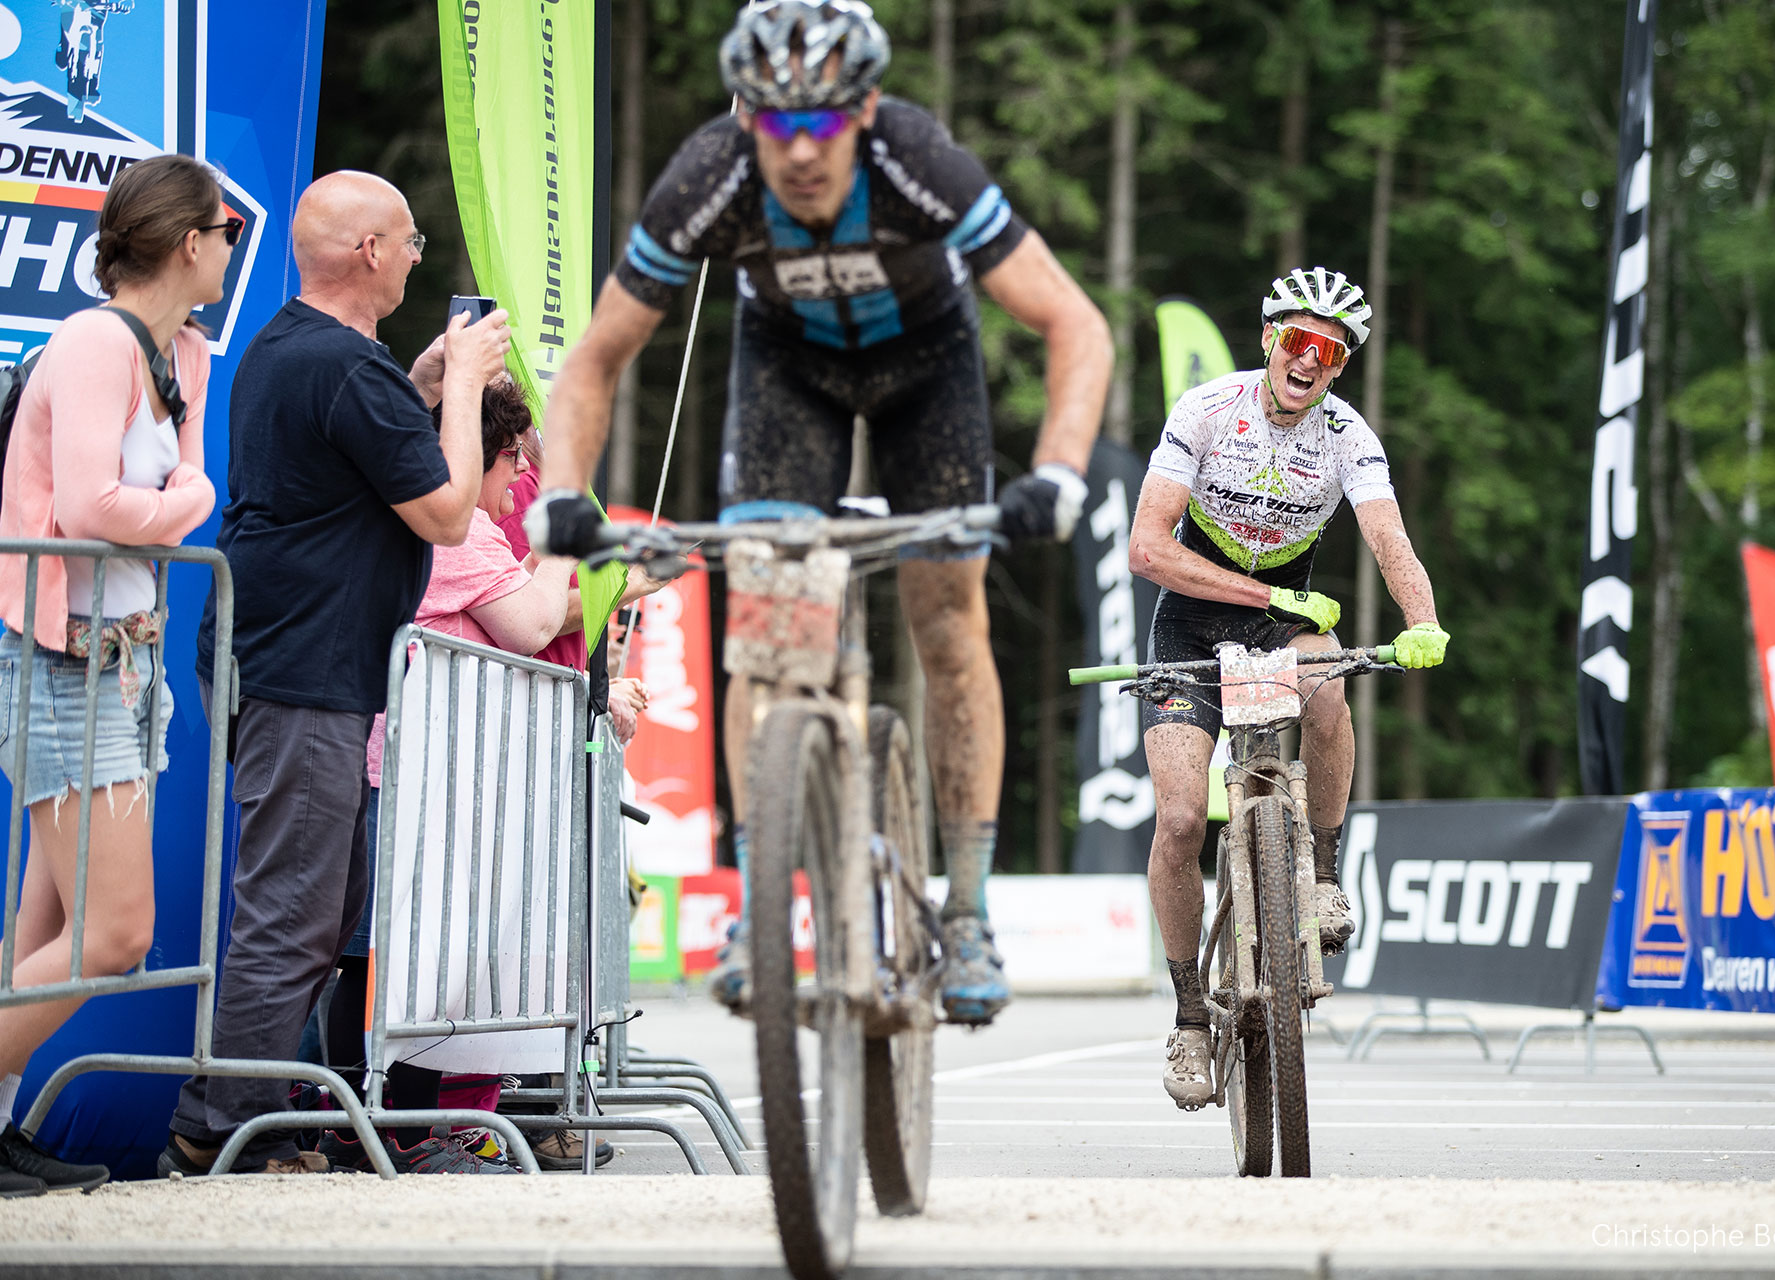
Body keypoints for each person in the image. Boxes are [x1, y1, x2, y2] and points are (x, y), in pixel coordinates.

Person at [522, 0, 1110, 1024]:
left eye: (823, 122)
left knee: (947, 620)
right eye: (774, 122)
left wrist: (1057, 472)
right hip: (788, 375)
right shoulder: (711, 174)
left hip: (926, 369)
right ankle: (761, 906)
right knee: (768, 624)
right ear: (744, 118)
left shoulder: (918, 158)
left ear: (866, 111)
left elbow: (1074, 322)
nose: (799, 149)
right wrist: (565, 495)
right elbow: (598, 357)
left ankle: (966, 910)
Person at [162, 171, 510, 1176]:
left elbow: (358, 453)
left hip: (291, 659)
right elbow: (446, 512)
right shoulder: (345, 365)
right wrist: (467, 385)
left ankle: (251, 1115)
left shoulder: (294, 347)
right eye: (410, 239)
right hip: (303, 668)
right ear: (370, 252)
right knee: (295, 913)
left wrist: (426, 386)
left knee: (319, 906)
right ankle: (219, 1127)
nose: (415, 255)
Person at [1128, 268, 1448, 1109]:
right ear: (1270, 339)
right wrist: (1267, 595)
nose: (1310, 361)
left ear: (1341, 366)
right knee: (1180, 819)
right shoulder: (1206, 408)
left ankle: (1325, 875)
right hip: (1191, 621)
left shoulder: (1347, 436)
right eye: (1299, 341)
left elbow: (1389, 537)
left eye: (1330, 353)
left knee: (1331, 689)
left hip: (1286, 621)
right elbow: (1147, 549)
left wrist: (1423, 619)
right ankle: (1189, 1019)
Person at [0, 153, 228, 1196]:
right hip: (64, 657)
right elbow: (98, 507)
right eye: (224, 231)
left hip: (127, 661)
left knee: (50, 927)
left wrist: (176, 504)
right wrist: (188, 500)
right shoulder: (95, 342)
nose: (230, 248)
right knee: (116, 932)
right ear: (188, 241)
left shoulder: (186, 351)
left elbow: (165, 504)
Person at [314, 375, 573, 1176]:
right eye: (512, 463)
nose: (515, 485)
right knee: (405, 949)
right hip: (413, 771)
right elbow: (532, 622)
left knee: (385, 948)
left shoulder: (452, 529)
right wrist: (561, 533)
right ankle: (389, 1125)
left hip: (415, 766)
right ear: (483, 454)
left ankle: (371, 1121)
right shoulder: (457, 534)